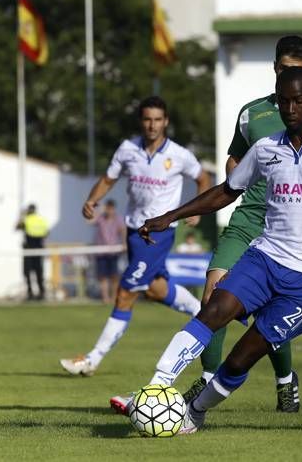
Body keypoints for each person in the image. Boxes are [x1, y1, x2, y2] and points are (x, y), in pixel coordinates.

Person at [121, 67, 302, 435]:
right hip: (265, 258)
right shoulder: (266, 149)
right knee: (213, 308)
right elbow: (226, 191)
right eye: (283, 100)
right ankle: (157, 386)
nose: (290, 107)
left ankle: (194, 413)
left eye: (298, 100)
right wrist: (171, 216)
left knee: (243, 355)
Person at [177, 36, 302, 413]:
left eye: (294, 70)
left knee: (272, 315)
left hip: (289, 232)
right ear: (274, 68)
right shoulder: (252, 113)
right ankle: (205, 379)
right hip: (249, 218)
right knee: (212, 296)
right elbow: (235, 158)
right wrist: (240, 179)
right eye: (281, 68)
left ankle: (285, 382)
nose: (285, 75)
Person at [60, 95, 211, 377]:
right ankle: (204, 313)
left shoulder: (179, 155)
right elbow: (108, 178)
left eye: (157, 120)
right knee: (154, 288)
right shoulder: (128, 149)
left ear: (165, 122)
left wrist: (198, 210)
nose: (152, 125)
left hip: (158, 233)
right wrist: (92, 200)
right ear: (141, 121)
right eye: (147, 119)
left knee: (126, 292)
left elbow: (203, 178)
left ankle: (92, 359)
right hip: (133, 231)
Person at [90, 199, 125, 304]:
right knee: (103, 277)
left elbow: (123, 231)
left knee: (114, 276)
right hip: (101, 252)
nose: (109, 211)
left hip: (114, 252)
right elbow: (90, 221)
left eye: (110, 208)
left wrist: (124, 243)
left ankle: (114, 297)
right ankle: (105, 298)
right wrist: (99, 210)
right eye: (107, 208)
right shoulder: (101, 218)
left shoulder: (118, 219)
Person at [16, 204, 49, 301]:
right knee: (39, 272)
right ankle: (42, 293)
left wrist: (21, 216)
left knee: (27, 272)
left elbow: (17, 227)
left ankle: (30, 293)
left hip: (29, 249)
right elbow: (46, 233)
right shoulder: (41, 220)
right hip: (39, 249)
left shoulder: (26, 220)